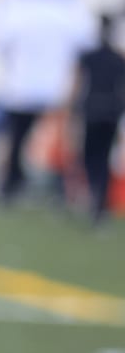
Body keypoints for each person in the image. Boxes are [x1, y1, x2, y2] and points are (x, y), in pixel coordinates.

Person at [0, 0, 97, 205]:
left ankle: (10, 187)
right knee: (62, 143)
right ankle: (61, 193)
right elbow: (87, 50)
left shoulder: (17, 3)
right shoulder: (74, 8)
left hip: (20, 84)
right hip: (59, 88)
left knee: (17, 140)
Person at [75, 16, 124, 226]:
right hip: (110, 112)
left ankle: (96, 198)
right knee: (102, 158)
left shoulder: (89, 57)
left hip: (93, 111)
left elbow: (77, 83)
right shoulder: (117, 59)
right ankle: (99, 200)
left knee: (90, 156)